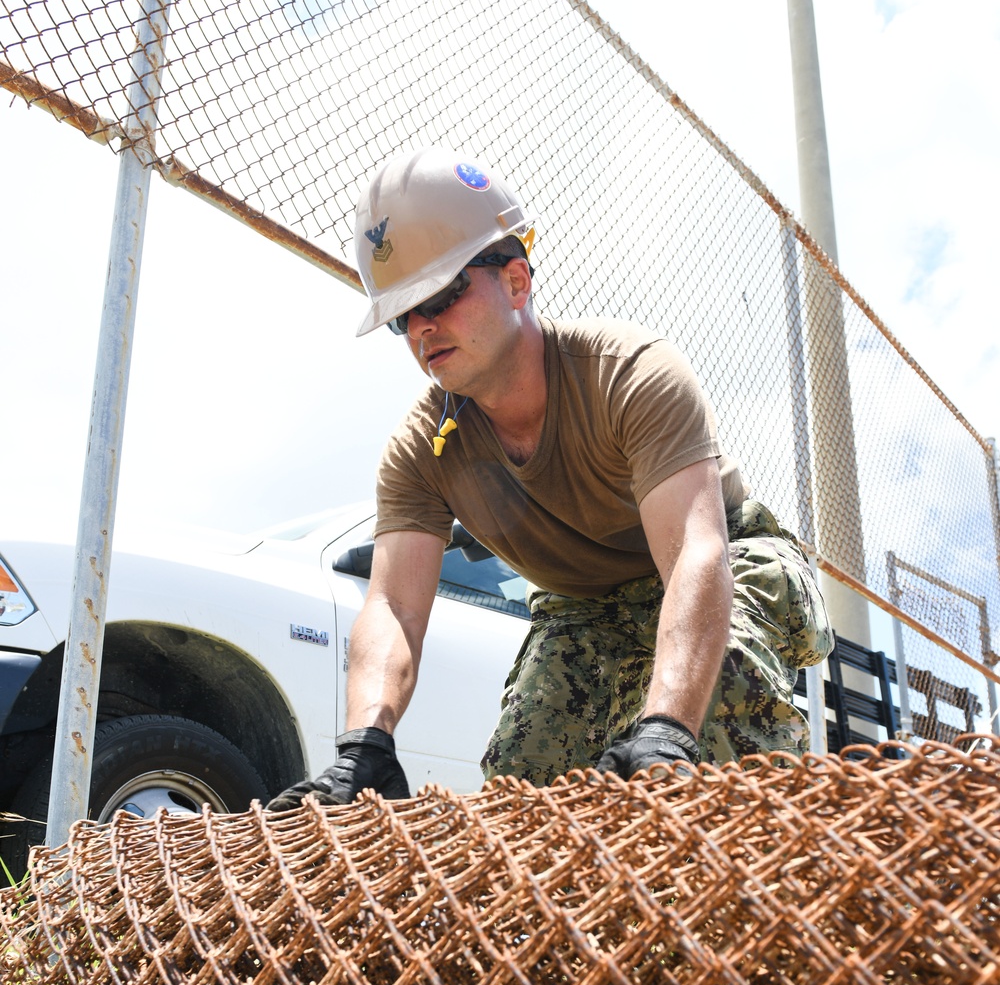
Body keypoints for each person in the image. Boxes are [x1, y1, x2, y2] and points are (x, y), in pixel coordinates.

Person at [267, 149, 831, 811]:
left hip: (729, 561)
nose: (423, 327)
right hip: (581, 609)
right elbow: (393, 606)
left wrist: (668, 729)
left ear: (514, 282)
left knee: (715, 697)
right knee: (521, 779)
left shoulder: (629, 371)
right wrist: (365, 744)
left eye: (442, 296)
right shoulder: (421, 451)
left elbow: (695, 553)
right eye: (402, 316)